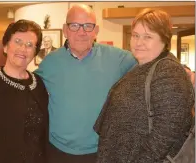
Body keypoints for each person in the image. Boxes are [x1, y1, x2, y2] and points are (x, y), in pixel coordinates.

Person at [34, 4, 137, 163]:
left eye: (88, 26)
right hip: (57, 151)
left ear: (96, 31)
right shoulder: (50, 62)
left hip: (100, 152)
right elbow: (28, 86)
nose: (81, 32)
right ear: (65, 30)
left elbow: (149, 63)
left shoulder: (118, 59)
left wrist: (183, 72)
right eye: (74, 26)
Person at [94, 8, 195, 163]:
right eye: (135, 35)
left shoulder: (168, 71)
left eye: (147, 36)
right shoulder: (142, 65)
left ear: (164, 39)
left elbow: (166, 134)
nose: (138, 42)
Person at [0, 19, 49, 163]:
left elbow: (43, 135)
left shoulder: (39, 84)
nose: (23, 49)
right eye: (18, 41)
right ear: (5, 46)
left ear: (35, 52)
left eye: (30, 45)